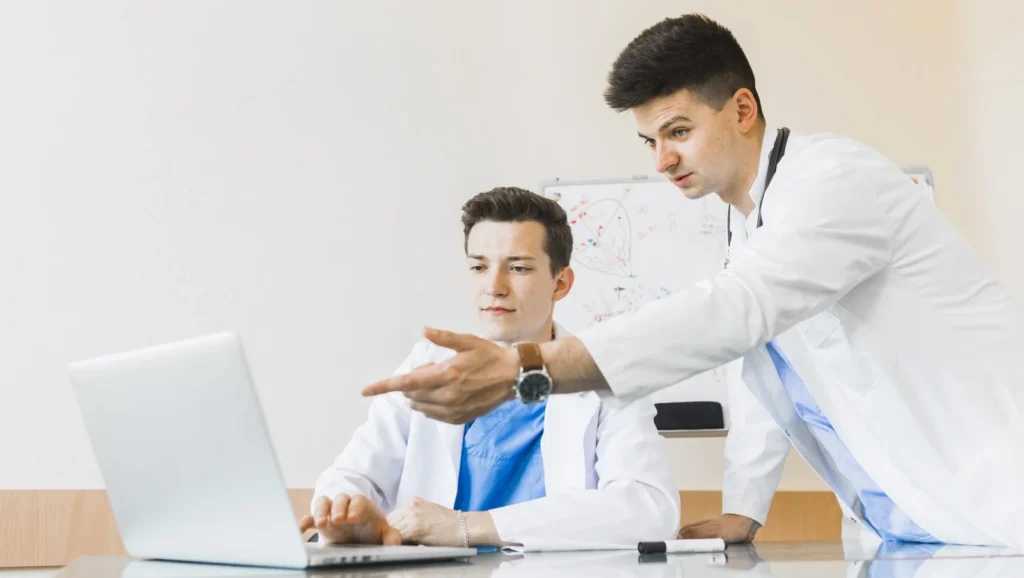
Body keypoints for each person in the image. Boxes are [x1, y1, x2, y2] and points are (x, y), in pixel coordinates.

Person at [363, 15, 1024, 548]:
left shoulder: (836, 182)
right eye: (649, 140)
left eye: (677, 131)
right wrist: (744, 508)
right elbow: (766, 370)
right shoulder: (749, 227)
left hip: (994, 507)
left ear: (741, 109)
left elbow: (737, 313)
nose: (662, 159)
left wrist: (528, 366)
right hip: (912, 529)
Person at [303, 187, 679, 549]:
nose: (494, 287)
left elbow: (649, 509)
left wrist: (470, 527)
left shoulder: (602, 377)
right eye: (479, 267)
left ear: (560, 283)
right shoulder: (429, 364)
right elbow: (354, 474)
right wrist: (343, 513)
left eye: (517, 267)